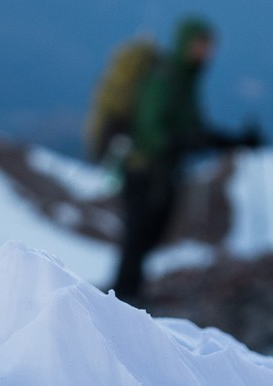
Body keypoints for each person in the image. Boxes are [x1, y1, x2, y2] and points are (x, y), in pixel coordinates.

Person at [112, 16, 261, 305]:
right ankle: (122, 298)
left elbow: (197, 130)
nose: (207, 52)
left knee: (148, 235)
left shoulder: (186, 81)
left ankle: (129, 295)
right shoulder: (165, 78)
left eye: (209, 46)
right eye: (201, 45)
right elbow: (152, 130)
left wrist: (236, 140)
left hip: (162, 173)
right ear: (185, 44)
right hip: (144, 172)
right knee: (138, 236)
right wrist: (181, 142)